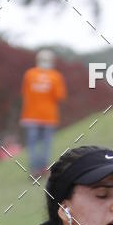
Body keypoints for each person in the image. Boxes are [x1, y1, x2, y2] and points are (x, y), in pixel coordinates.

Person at [20, 49, 67, 180]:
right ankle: (43, 168)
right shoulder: (56, 76)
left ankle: (34, 170)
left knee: (33, 145)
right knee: (46, 144)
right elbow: (59, 96)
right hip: (49, 116)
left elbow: (25, 93)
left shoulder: (29, 74)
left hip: (30, 115)